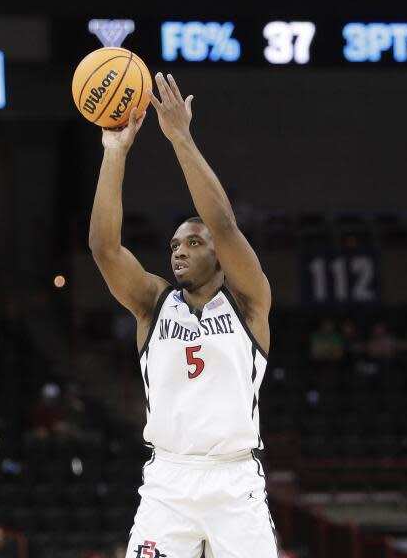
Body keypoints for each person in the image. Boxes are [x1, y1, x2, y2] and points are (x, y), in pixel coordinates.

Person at [88, 72, 277, 557]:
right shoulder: (154, 303)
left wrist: (179, 137)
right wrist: (115, 153)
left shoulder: (249, 301)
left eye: (193, 242)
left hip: (235, 483)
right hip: (168, 483)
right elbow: (105, 249)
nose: (179, 252)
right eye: (174, 245)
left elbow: (223, 223)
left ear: (219, 255)